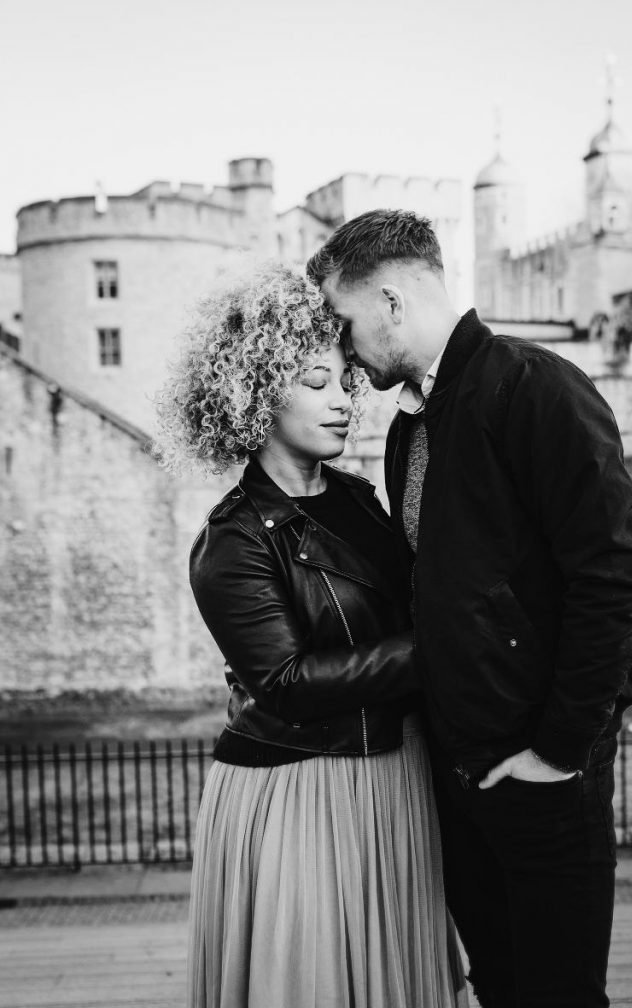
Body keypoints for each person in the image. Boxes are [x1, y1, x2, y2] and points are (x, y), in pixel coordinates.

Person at [307, 210, 632, 1008]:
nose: (344, 352)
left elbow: (615, 576)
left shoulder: (535, 386)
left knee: (558, 996)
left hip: (542, 775)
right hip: (458, 772)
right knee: (498, 988)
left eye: (345, 320)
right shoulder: (412, 427)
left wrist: (559, 752)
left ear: (392, 300)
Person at [154, 263, 468, 1008]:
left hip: (395, 771)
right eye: (313, 382)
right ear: (256, 393)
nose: (341, 404)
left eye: (343, 384)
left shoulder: (359, 498)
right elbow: (288, 686)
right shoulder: (232, 541)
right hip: (300, 787)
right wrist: (443, 648)